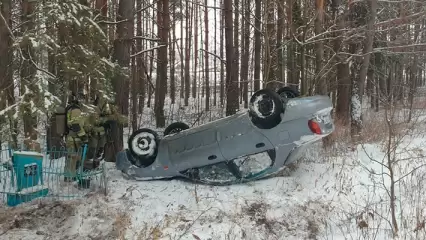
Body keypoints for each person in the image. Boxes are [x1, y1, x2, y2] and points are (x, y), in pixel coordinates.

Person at [64, 93, 89, 182]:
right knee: (72, 158)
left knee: (73, 158)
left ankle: (70, 176)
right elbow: (75, 125)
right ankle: (69, 177)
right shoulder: (76, 110)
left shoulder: (73, 109)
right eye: (82, 100)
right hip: (73, 138)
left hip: (73, 138)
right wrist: (84, 137)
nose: (83, 102)